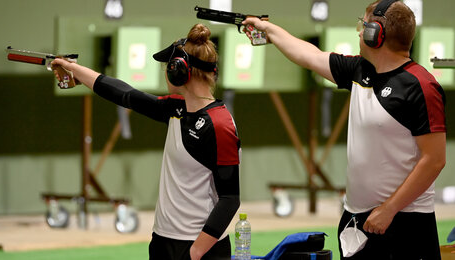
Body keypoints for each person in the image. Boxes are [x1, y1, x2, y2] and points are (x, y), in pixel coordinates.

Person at [243, 0, 446, 259]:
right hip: (358, 218)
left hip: (404, 221)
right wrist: (266, 29)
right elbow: (310, 56)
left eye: (364, 25)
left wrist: (389, 209)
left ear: (377, 34)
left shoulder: (421, 86)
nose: (359, 31)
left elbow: (435, 160)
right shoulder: (360, 71)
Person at [52, 24, 241, 260]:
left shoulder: (220, 124)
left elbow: (230, 199)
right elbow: (126, 94)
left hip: (198, 248)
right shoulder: (177, 108)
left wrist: (195, 252)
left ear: (179, 70)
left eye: (167, 66)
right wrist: (74, 69)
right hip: (163, 240)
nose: (165, 72)